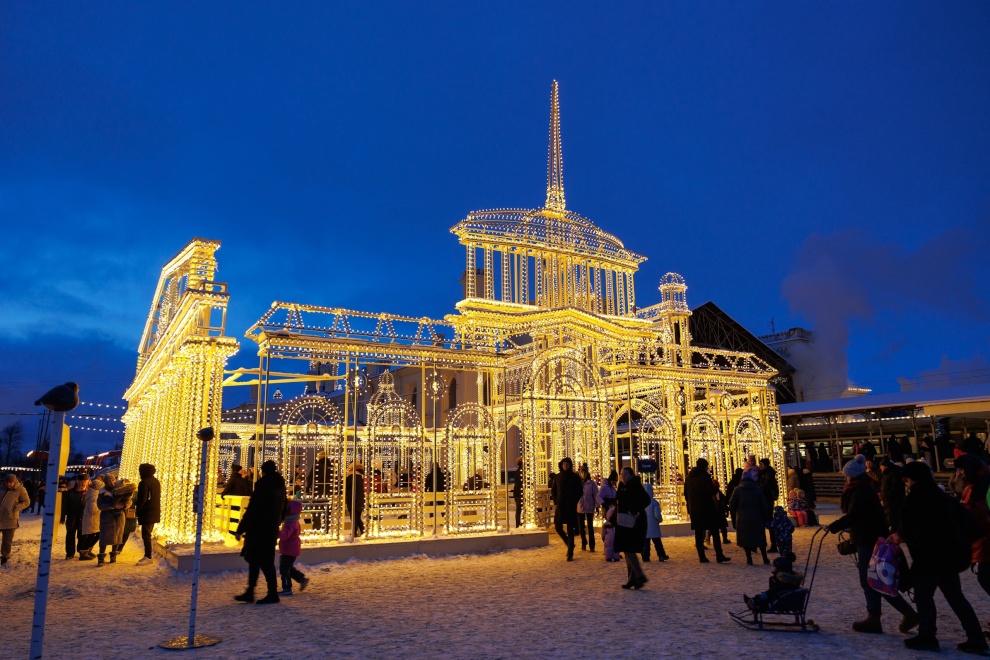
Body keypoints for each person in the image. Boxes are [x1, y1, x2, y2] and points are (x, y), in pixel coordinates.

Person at [891, 460, 988, 653]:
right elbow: (971, 526)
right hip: (949, 559)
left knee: (924, 598)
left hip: (927, 559)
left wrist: (899, 536)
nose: (906, 483)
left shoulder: (915, 499)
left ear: (911, 479)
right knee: (956, 598)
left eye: (906, 480)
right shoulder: (944, 498)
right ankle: (976, 638)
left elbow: (909, 528)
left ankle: (927, 636)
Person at [827, 454, 917, 634]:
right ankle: (879, 616)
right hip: (868, 538)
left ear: (851, 476)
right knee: (874, 580)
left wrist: (834, 526)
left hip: (869, 540)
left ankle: (886, 616)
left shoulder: (860, 492)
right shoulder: (863, 489)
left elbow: (854, 515)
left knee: (872, 580)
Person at [235, 460, 287, 605]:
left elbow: (253, 509)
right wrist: (276, 523)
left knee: (261, 561)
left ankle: (271, 593)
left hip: (258, 529)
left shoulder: (263, 485)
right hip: (270, 529)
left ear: (263, 471)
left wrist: (241, 528)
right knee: (260, 560)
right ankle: (252, 591)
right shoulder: (280, 486)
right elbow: (284, 508)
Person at [685, 458, 730, 563]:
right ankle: (719, 554)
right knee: (715, 531)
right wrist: (716, 488)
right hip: (707, 508)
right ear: (705, 466)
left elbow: (686, 493)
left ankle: (702, 556)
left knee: (698, 533)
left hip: (695, 509)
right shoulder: (705, 476)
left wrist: (690, 506)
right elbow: (711, 491)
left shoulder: (689, 477)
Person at [614, 467, 650, 589]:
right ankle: (633, 579)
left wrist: (633, 509)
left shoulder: (635, 486)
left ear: (631, 475)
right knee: (626, 549)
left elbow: (646, 500)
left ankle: (639, 575)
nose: (622, 476)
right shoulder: (621, 487)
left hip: (634, 522)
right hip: (623, 521)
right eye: (621, 474)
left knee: (628, 549)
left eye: (625, 474)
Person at [730, 468, 769, 565]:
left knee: (746, 538)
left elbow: (732, 504)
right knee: (760, 538)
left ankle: (749, 558)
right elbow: (764, 505)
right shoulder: (758, 490)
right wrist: (766, 516)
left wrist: (736, 513)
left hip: (743, 518)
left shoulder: (737, 490)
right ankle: (765, 558)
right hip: (757, 517)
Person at [97, 475, 135, 566]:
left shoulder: (120, 489)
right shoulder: (102, 492)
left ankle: (113, 555)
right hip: (107, 517)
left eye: (113, 480)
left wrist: (123, 505)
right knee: (104, 537)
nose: (112, 483)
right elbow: (100, 505)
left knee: (118, 535)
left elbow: (129, 501)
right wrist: (111, 506)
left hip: (119, 516)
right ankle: (101, 557)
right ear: (105, 483)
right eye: (109, 481)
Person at [552, 457, 582, 561]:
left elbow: (579, 491)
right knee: (557, 526)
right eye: (564, 464)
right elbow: (554, 490)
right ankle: (569, 543)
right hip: (560, 506)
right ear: (561, 465)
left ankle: (570, 552)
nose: (565, 466)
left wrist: (574, 501)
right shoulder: (557, 477)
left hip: (570, 506)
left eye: (567, 464)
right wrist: (556, 500)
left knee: (570, 529)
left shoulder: (575, 477)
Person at [277, 499, 310, 596]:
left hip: (289, 550)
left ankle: (287, 588)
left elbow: (285, 535)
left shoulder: (290, 524)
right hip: (291, 549)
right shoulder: (293, 522)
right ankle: (301, 579)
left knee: (284, 569)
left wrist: (276, 532)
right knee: (288, 568)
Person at [1, 473, 31, 566]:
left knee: (7, 540)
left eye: (10, 483)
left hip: (10, 519)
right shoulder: (1, 488)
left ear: (14, 482)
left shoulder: (20, 489)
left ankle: (5, 555)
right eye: (7, 482)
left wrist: (16, 507)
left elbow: (27, 502)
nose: (8, 484)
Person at [134, 463, 161, 565]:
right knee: (148, 533)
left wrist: (137, 508)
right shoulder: (155, 481)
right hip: (154, 510)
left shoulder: (144, 483)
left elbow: (142, 499)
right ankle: (148, 555)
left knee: (146, 535)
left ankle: (148, 556)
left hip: (147, 512)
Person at [61, 473, 88, 559]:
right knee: (70, 535)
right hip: (72, 518)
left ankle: (81, 551)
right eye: (81, 481)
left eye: (84, 481)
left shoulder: (89, 493)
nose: (83, 483)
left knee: (83, 536)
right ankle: (70, 553)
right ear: (77, 482)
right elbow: (64, 506)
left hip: (84, 518)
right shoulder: (69, 493)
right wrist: (62, 517)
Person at [757, 458, 780, 553]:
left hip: (767, 500)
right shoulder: (767, 473)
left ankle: (772, 544)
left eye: (760, 464)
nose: (759, 466)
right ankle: (771, 543)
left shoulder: (767, 474)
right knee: (768, 522)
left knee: (768, 522)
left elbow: (764, 486)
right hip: (767, 499)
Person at [641, 483, 668, 562]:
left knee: (645, 542)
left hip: (644, 525)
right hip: (653, 525)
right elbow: (657, 514)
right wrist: (660, 520)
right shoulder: (654, 502)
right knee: (657, 542)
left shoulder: (641, 502)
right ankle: (661, 555)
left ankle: (645, 556)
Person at [878, 458, 905, 533]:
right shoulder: (886, 474)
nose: (880, 467)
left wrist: (887, 496)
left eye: (881, 466)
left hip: (893, 501)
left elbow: (896, 487)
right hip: (888, 500)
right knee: (889, 519)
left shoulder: (894, 473)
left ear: (886, 466)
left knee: (893, 519)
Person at [78, 477, 102, 560]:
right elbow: (93, 510)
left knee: (94, 535)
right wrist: (101, 509)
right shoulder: (95, 497)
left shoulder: (93, 495)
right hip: (92, 520)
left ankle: (87, 550)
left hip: (92, 520)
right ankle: (84, 552)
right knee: (92, 536)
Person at [576, 465, 598, 552]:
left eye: (584, 472)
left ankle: (592, 545)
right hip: (580, 506)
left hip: (589, 506)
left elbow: (596, 495)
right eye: (582, 472)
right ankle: (584, 542)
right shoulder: (578, 484)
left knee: (590, 527)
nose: (583, 474)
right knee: (581, 527)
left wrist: (596, 506)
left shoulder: (592, 484)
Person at [345, 461, 365, 537]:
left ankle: (355, 532)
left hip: (353, 500)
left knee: (354, 518)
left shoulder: (351, 476)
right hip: (359, 500)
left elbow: (345, 486)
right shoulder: (360, 476)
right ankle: (361, 531)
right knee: (357, 517)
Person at [511, 458, 523, 528]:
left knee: (519, 509)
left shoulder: (518, 471)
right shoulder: (522, 471)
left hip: (517, 493)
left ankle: (518, 524)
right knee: (520, 509)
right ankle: (519, 524)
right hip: (520, 493)